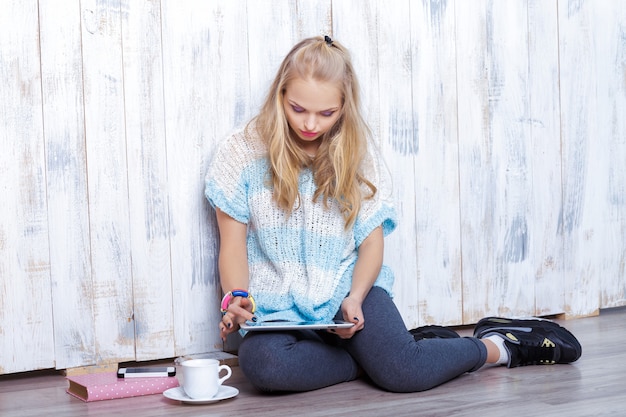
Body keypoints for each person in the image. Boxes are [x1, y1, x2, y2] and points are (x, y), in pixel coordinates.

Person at [204, 35, 581, 393]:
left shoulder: (357, 154)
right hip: (277, 306)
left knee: (405, 372)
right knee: (264, 365)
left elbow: (371, 244)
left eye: (326, 113)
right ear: (280, 94)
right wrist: (238, 297)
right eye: (298, 109)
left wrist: (354, 297)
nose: (310, 124)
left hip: (347, 287)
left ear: (344, 107)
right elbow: (233, 245)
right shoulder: (241, 153)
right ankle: (381, 359)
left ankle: (503, 345)